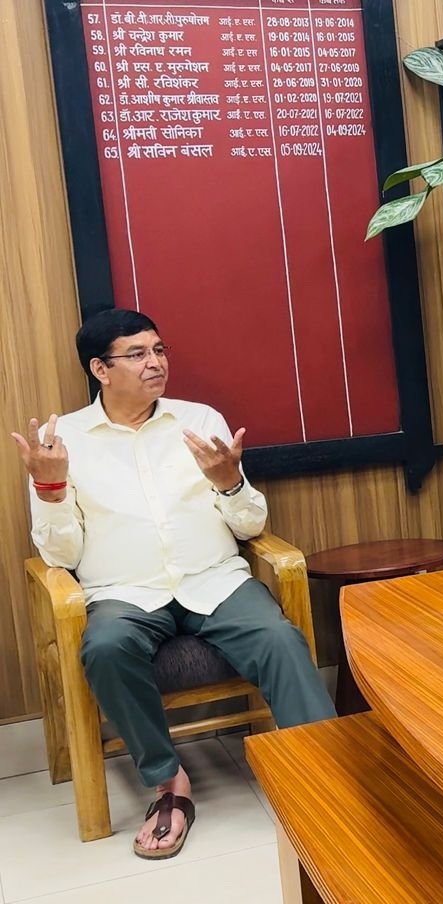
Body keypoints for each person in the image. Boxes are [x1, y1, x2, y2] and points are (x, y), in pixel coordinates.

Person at [12, 310, 335, 859]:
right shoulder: (62, 441)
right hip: (124, 591)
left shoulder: (199, 419)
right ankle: (169, 784)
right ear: (100, 369)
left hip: (214, 579)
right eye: (137, 354)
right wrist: (50, 488)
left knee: (280, 638)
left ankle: (325, 773)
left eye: (159, 350)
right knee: (105, 648)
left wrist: (230, 484)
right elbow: (60, 556)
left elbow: (251, 527)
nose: (155, 362)